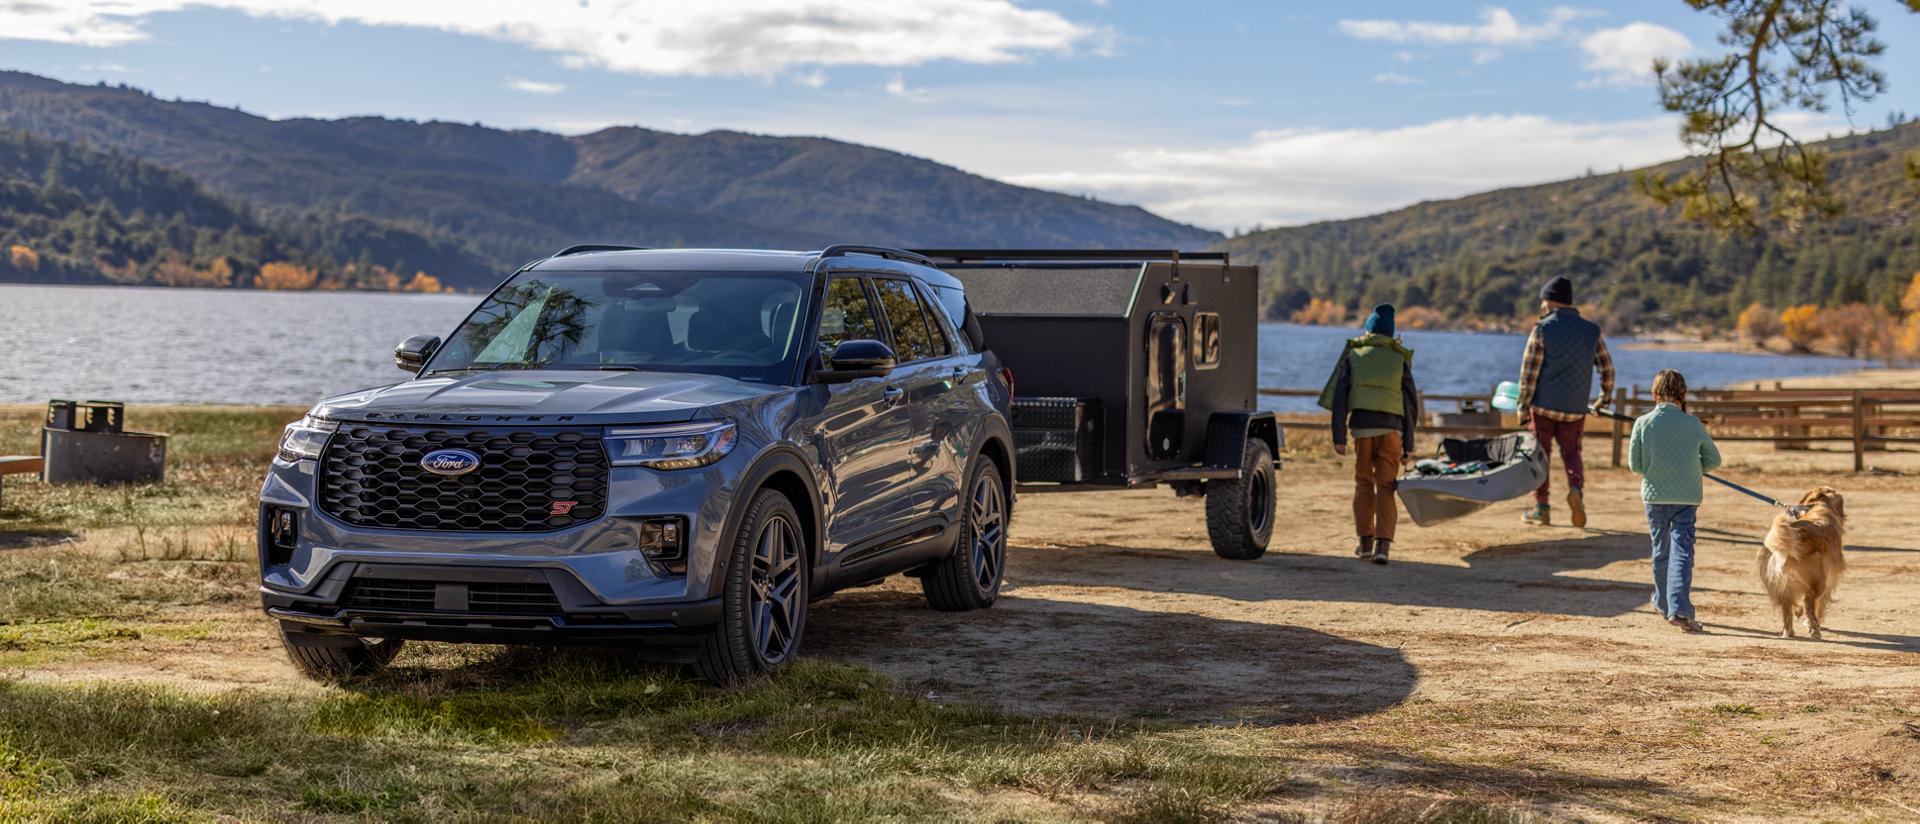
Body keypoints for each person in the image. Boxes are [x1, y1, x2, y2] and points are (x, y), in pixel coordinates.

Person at [1317, 304, 1419, 565]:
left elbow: (1339, 398)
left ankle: (1364, 543)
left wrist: (1339, 436)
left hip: (1362, 431)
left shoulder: (1354, 354)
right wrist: (1409, 443)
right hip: (1392, 431)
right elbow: (1410, 404)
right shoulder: (1399, 358)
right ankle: (1382, 546)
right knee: (1386, 486)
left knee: (1363, 484)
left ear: (1369, 330)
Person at [1516, 276, 1614, 528]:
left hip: (1543, 407)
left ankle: (1542, 508)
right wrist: (1603, 399)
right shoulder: (1591, 331)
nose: (1541, 306)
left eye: (1543, 302)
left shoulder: (1541, 329)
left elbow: (1528, 374)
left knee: (1541, 456)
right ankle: (1576, 490)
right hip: (1575, 409)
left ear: (1549, 302)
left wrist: (1522, 406)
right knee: (1572, 453)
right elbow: (1607, 368)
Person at [1628, 370, 1721, 633]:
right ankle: (1678, 609)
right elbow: (1714, 460)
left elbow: (1635, 466)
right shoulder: (1693, 424)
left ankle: (1662, 602)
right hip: (1686, 496)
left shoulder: (1643, 423)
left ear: (1654, 393)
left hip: (1655, 496)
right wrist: (1693, 467)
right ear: (1682, 394)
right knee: (1682, 551)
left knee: (1661, 550)